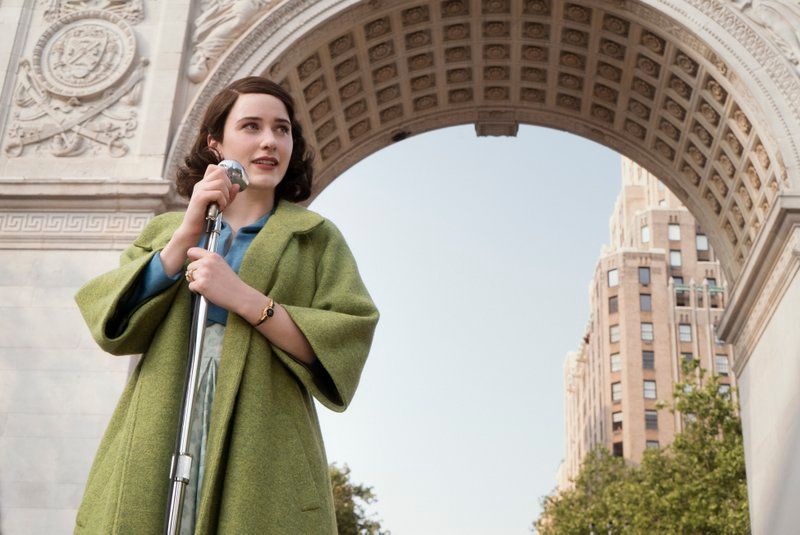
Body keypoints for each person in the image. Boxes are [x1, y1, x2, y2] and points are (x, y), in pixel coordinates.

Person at [73, 76, 379, 534]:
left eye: (282, 129)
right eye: (252, 126)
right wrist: (184, 236)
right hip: (161, 421)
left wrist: (244, 298)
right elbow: (112, 324)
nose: (269, 142)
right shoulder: (165, 233)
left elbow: (343, 343)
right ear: (216, 143)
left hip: (264, 438)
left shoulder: (317, 238)